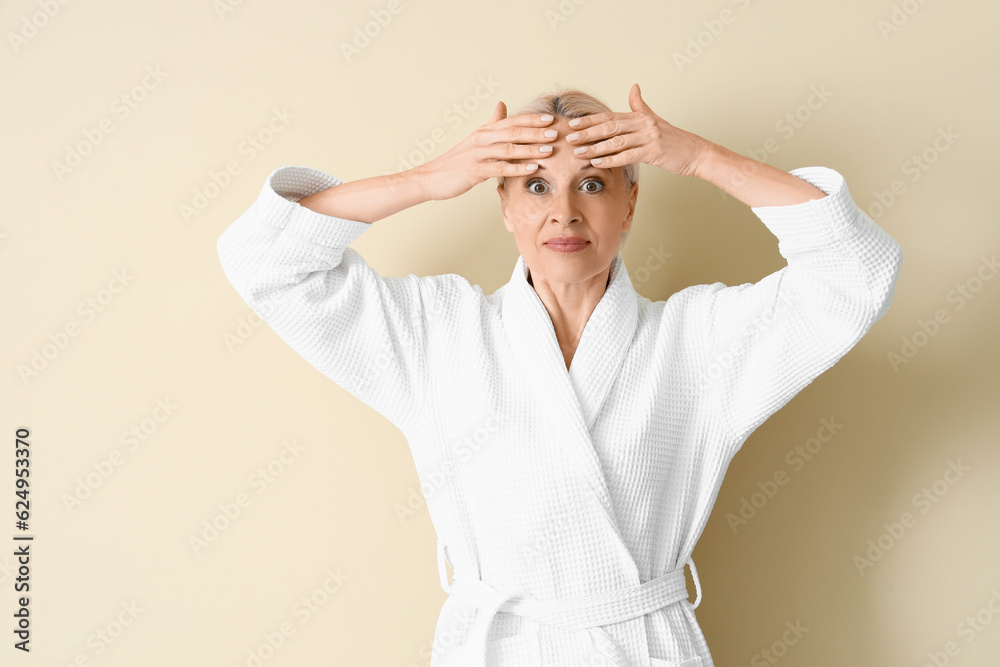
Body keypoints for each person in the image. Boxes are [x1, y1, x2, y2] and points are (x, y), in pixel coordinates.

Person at [216, 83, 903, 667]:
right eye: (536, 184)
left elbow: (857, 271)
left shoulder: (697, 344)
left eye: (594, 184)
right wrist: (429, 179)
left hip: (641, 644)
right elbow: (265, 261)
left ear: (630, 204)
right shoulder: (438, 333)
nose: (564, 212)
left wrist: (695, 156)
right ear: (506, 206)